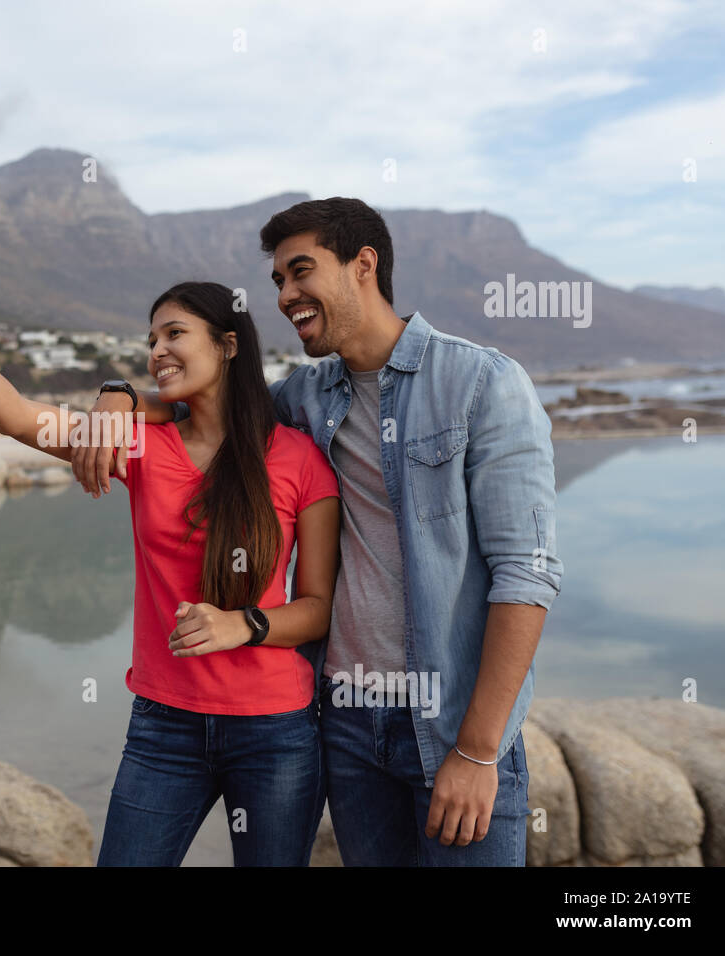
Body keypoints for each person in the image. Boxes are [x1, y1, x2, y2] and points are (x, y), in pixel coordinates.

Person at [75, 197, 563, 866]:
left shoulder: (483, 384)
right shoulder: (305, 398)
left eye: (300, 272)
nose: (285, 295)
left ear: (364, 265)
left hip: (449, 725)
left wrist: (478, 751)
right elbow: (218, 402)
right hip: (348, 726)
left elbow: (526, 573)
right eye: (277, 280)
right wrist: (120, 394)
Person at [0, 242, 340, 866]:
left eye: (175, 333)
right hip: (165, 728)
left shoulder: (299, 459)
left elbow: (318, 607)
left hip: (276, 731)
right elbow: (19, 418)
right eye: (151, 338)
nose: (157, 351)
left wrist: (243, 624)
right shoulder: (138, 445)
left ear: (228, 345)